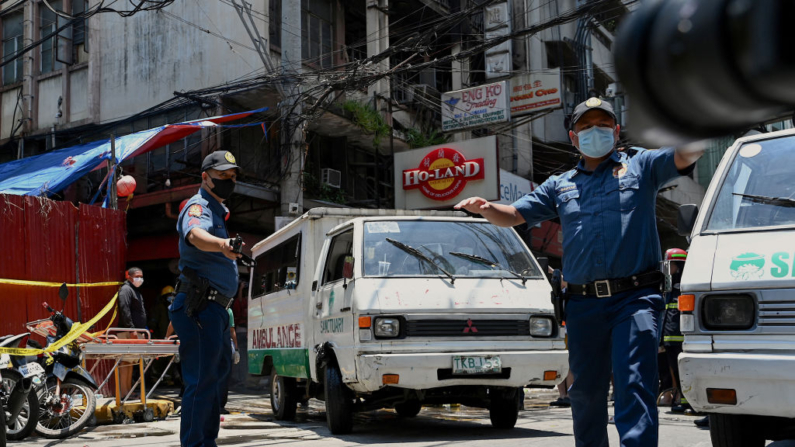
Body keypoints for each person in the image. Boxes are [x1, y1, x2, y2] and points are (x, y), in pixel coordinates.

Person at [455, 97, 703, 447]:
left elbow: (683, 155)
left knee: (633, 385)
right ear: (573, 138)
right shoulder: (560, 185)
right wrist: (486, 207)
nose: (594, 131)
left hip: (635, 299)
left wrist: (705, 122)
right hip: (583, 306)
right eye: (585, 127)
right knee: (584, 392)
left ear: (616, 132)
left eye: (602, 125)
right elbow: (512, 215)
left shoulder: (642, 166)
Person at [169, 150, 242, 447]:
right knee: (200, 381)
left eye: (232, 176)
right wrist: (223, 244)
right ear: (205, 177)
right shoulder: (198, 206)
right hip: (200, 307)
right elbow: (195, 235)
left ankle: (205, 442)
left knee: (213, 381)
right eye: (222, 175)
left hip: (217, 310)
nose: (229, 180)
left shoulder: (217, 210)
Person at [661, 248, 691, 414]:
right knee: (675, 370)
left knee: (682, 370)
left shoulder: (684, 285)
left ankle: (688, 403)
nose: (667, 268)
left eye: (670, 264)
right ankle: (684, 401)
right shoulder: (670, 285)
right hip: (670, 336)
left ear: (678, 265)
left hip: (680, 336)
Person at [117, 267, 147, 398]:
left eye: (141, 276)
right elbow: (124, 309)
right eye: (137, 276)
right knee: (125, 361)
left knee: (131, 362)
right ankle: (123, 392)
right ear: (129, 276)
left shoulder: (135, 291)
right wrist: (131, 329)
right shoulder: (126, 290)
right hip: (128, 332)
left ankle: (128, 390)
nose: (139, 279)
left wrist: (143, 330)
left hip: (136, 331)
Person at [220, 307, 241, 414]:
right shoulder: (228, 310)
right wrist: (236, 349)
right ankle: (220, 405)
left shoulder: (208, 307)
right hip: (224, 346)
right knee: (224, 377)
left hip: (211, 346)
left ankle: (211, 404)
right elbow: (232, 331)